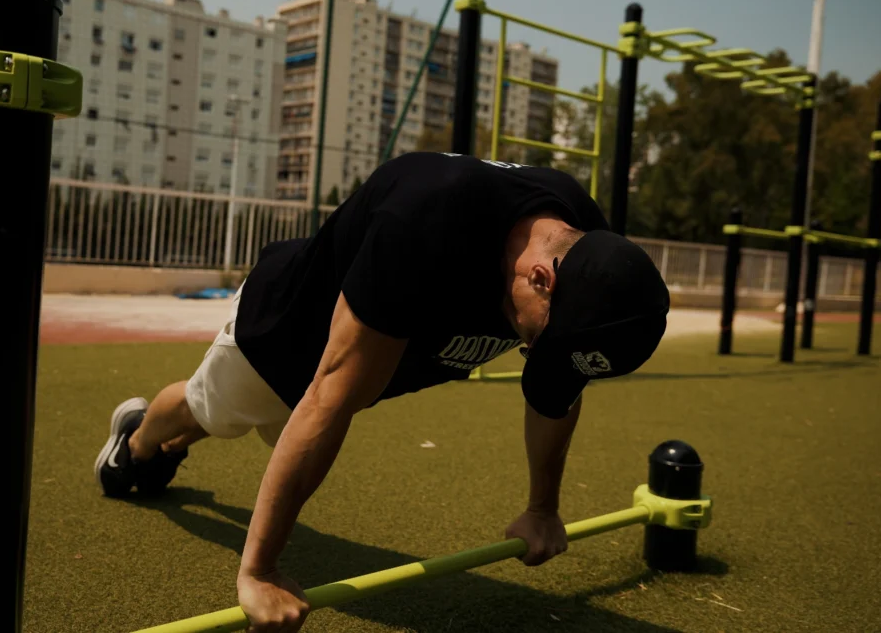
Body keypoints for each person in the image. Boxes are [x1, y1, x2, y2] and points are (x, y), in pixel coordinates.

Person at [93, 151, 670, 632]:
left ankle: (170, 442)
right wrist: (260, 572)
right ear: (540, 278)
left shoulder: (583, 244)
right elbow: (328, 397)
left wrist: (543, 508)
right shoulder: (427, 218)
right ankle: (136, 444)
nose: (530, 351)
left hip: (367, 365)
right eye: (539, 341)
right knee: (209, 410)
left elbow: (556, 393)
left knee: (265, 422)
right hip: (285, 335)